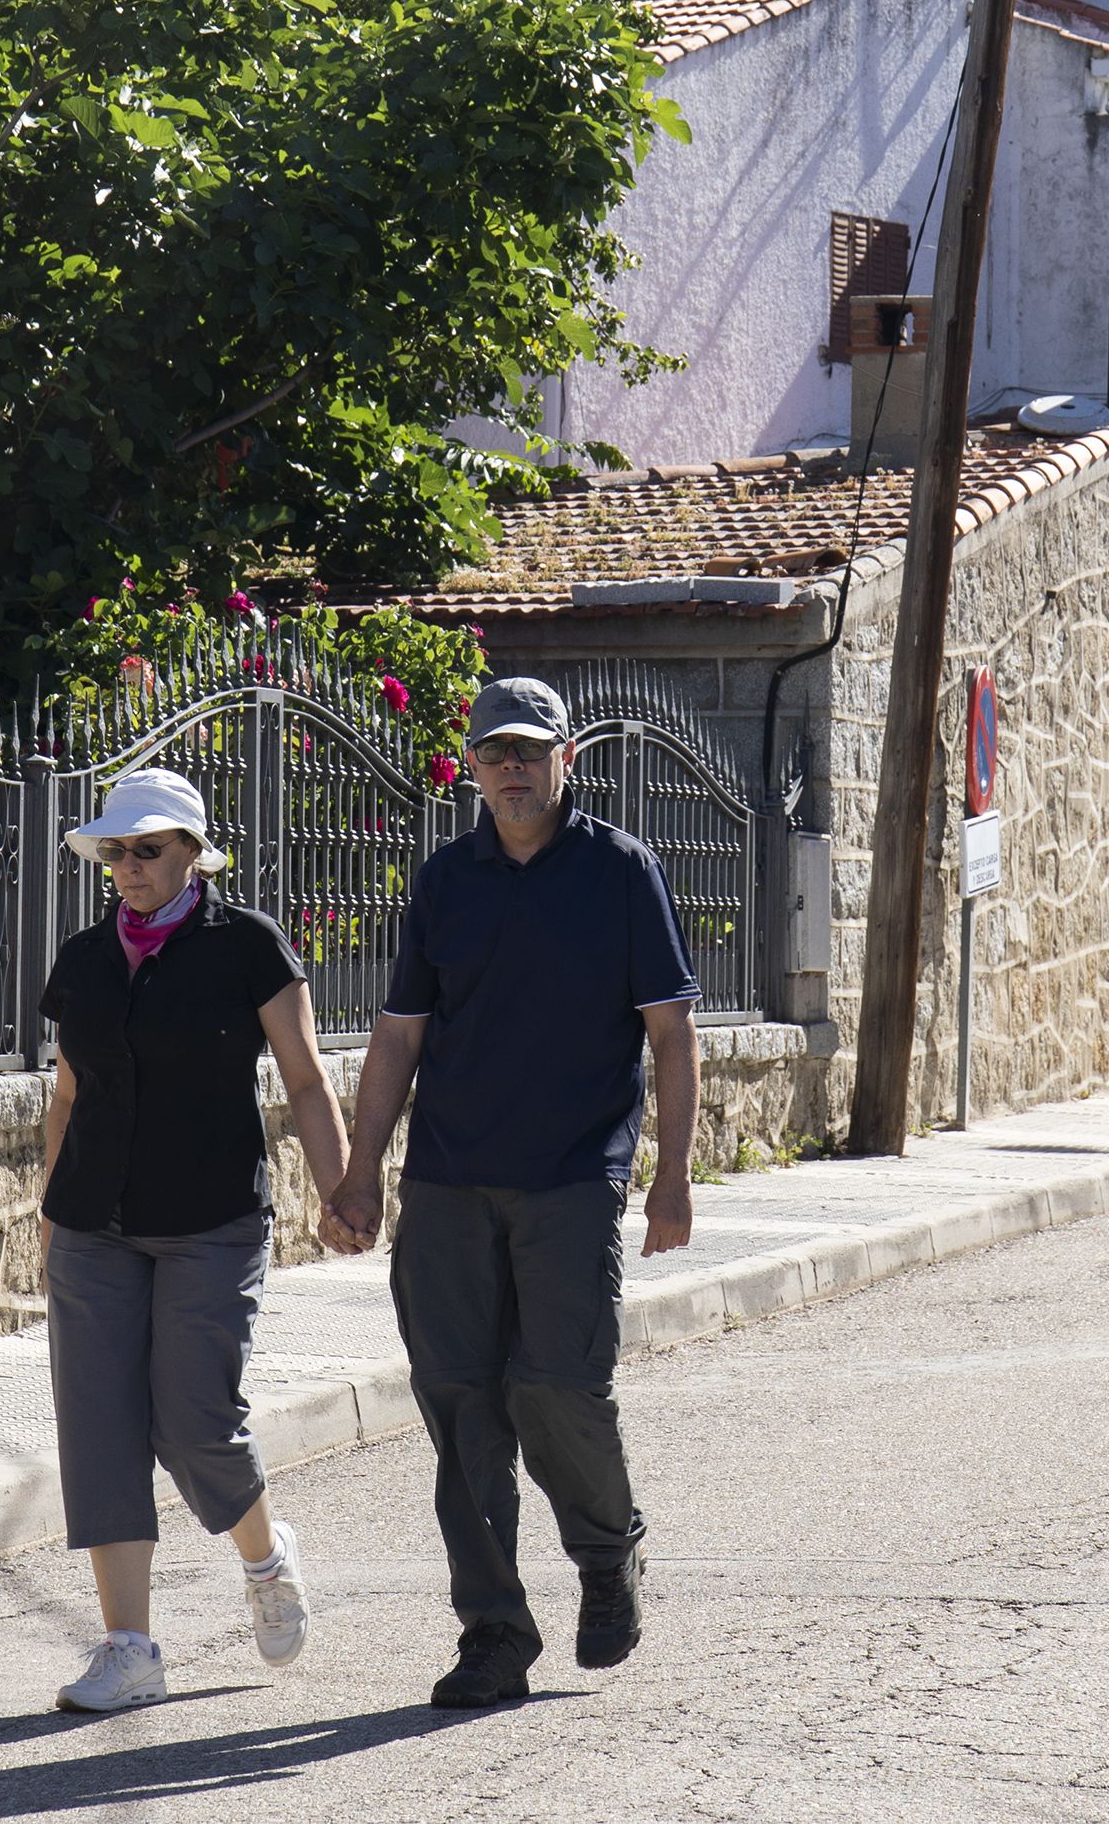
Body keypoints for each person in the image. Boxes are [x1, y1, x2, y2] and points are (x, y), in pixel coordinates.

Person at [321, 676, 700, 1712]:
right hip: (446, 1180)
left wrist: (669, 1177)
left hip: (572, 1177)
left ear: (566, 758)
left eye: (531, 751)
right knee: (459, 1403)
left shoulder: (621, 871)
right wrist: (360, 1173)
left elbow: (669, 1033)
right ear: (472, 768)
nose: (514, 769)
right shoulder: (447, 880)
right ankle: (493, 1632)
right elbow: (399, 1036)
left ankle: (603, 1549)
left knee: (555, 1387)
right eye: (495, 754)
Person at [37, 767, 346, 1714]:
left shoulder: (246, 946)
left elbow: (302, 1078)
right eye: (117, 852)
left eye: (148, 849)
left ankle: (264, 1556)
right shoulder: (86, 960)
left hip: (210, 1218)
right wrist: (49, 1219)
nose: (129, 867)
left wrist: (343, 1191)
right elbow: (67, 1095)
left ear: (191, 855)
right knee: (100, 1429)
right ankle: (130, 1647)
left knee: (195, 1420)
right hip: (94, 1223)